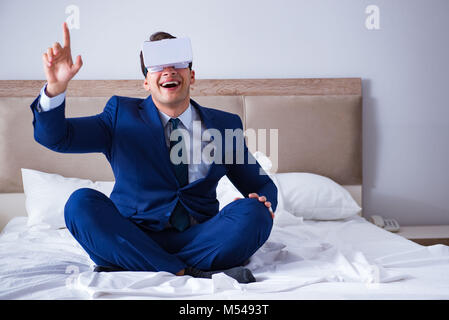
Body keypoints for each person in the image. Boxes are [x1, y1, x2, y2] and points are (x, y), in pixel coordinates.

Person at [30, 22, 277, 284]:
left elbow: (260, 183)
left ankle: (136, 263)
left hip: (201, 235)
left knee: (254, 213)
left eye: (177, 63)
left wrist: (263, 202)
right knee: (80, 204)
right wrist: (55, 90)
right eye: (158, 66)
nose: (168, 71)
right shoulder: (119, 115)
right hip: (133, 233)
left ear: (191, 75)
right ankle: (186, 271)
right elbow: (57, 138)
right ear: (146, 81)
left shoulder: (225, 125)